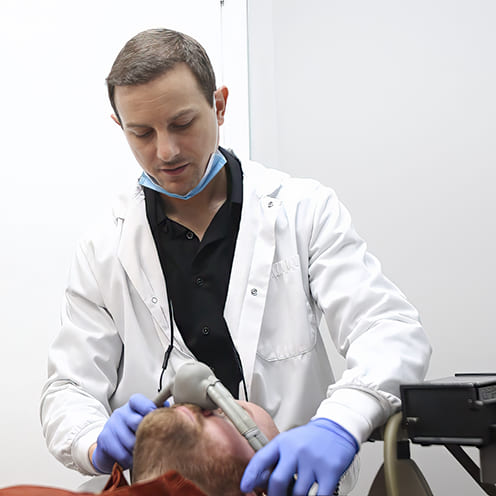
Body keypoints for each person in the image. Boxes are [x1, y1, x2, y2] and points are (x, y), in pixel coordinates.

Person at [40, 28, 431, 495]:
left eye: (182, 123)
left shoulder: (301, 210)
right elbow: (68, 388)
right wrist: (92, 439)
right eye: (141, 132)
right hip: (163, 486)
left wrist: (340, 424)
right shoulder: (104, 247)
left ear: (219, 106)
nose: (165, 151)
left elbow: (387, 329)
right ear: (119, 125)